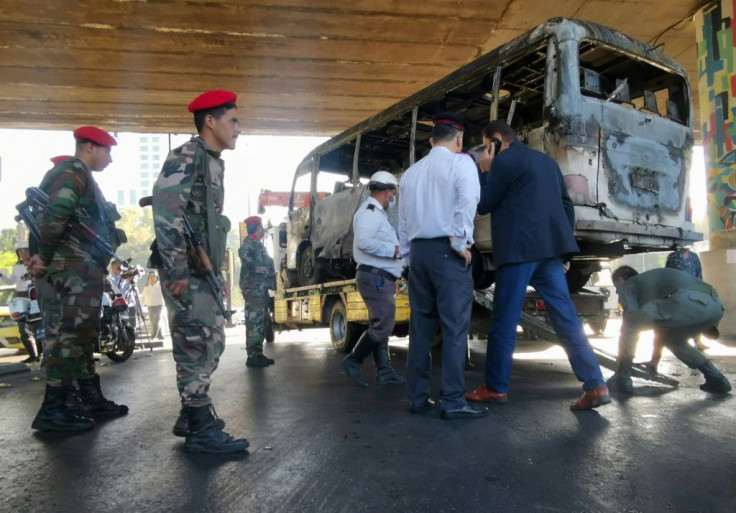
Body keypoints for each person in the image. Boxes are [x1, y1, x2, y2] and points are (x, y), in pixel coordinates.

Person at [465, 120, 610, 411]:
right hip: (550, 254)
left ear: (495, 140)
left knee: (504, 322)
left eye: (484, 145)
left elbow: (484, 204)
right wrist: (564, 252)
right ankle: (595, 385)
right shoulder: (547, 163)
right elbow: (566, 207)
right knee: (566, 320)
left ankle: (495, 388)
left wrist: (484, 171)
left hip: (518, 253)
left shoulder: (503, 162)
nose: (484, 151)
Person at [150, 89, 247, 454]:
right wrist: (175, 269)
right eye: (233, 120)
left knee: (212, 340)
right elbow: (166, 214)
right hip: (185, 270)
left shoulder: (212, 160)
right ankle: (200, 429)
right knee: (196, 343)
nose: (238, 128)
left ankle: (191, 415)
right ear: (211, 121)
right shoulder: (187, 156)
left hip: (200, 268)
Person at [27, 126, 129, 432]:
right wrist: (44, 256)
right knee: (72, 337)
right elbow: (58, 213)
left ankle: (90, 398)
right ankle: (53, 409)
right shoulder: (74, 170)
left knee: (82, 336)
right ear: (89, 148)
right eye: (106, 150)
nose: (109, 158)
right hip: (75, 268)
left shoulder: (79, 174)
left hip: (80, 267)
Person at [398, 112, 487, 420]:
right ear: (459, 140)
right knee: (454, 327)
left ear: (432, 140)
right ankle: (452, 399)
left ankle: (418, 398)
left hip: (419, 255)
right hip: (447, 253)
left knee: (420, 329)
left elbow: (403, 219)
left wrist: (408, 255)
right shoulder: (462, 163)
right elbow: (468, 201)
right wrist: (461, 242)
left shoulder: (410, 173)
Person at [607, 266, 731, 395]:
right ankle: (716, 378)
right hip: (715, 307)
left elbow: (630, 318)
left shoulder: (629, 285)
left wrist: (626, 359)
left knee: (630, 323)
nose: (617, 292)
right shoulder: (654, 282)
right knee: (672, 340)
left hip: (689, 302)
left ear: (621, 280)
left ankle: (622, 377)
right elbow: (660, 329)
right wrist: (654, 361)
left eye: (616, 288)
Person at [341, 171, 405, 387]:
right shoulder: (370, 213)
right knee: (384, 323)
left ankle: (384, 371)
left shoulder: (377, 214)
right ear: (387, 193)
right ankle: (353, 360)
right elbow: (364, 243)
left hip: (379, 277)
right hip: (374, 277)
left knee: (379, 322)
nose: (393, 198)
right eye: (393, 194)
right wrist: (394, 250)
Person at [647, 246, 707, 371]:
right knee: (662, 330)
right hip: (676, 296)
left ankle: (697, 349)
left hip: (689, 297)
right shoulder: (674, 256)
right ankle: (654, 361)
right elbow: (667, 275)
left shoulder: (694, 257)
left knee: (669, 330)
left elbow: (699, 276)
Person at [238, 215, 276, 368]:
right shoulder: (250, 243)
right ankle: (253, 356)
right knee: (255, 321)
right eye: (261, 228)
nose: (263, 230)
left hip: (260, 289)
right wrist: (255, 267)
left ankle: (257, 354)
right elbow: (242, 253)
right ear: (257, 229)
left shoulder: (256, 244)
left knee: (261, 321)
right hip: (254, 289)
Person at [7, 243, 43, 363]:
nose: (22, 252)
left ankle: (41, 354)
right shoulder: (16, 266)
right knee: (22, 327)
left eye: (25, 250)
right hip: (21, 296)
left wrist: (31, 278)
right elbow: (11, 281)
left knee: (37, 324)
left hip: (34, 294)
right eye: (20, 251)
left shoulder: (37, 262)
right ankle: (32, 355)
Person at [108, 259, 138, 331]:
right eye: (118, 268)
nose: (120, 269)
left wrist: (132, 280)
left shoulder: (125, 276)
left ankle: (132, 341)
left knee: (133, 326)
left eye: (121, 267)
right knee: (123, 327)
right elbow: (121, 293)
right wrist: (128, 281)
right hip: (121, 306)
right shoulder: (111, 279)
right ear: (112, 268)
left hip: (131, 304)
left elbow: (133, 289)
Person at [141, 270, 165, 340]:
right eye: (150, 277)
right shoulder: (146, 287)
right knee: (153, 322)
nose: (152, 278)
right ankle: (160, 335)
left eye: (153, 276)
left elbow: (165, 296)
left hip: (159, 306)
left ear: (156, 277)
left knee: (156, 320)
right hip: (150, 306)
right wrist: (141, 306)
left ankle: (153, 335)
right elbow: (143, 297)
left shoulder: (160, 286)